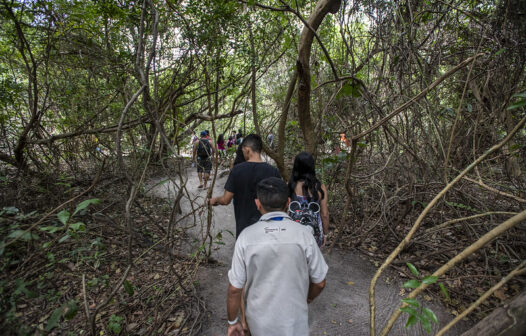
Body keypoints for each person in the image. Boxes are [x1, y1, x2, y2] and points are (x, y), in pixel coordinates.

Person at [226, 177, 328, 336]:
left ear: (257, 203)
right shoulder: (304, 235)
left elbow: (234, 289)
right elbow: (320, 282)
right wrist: (307, 298)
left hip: (258, 323)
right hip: (295, 322)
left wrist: (233, 322)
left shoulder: (246, 237)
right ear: (288, 203)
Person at [209, 134, 280, 237]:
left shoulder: (237, 170)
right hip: (269, 230)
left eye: (243, 151)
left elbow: (225, 200)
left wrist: (215, 200)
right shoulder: (273, 171)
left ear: (247, 150)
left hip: (244, 229)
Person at [288, 152, 330, 247]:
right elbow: (324, 214)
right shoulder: (320, 188)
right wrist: (325, 234)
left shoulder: (290, 186)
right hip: (314, 234)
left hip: (293, 233)